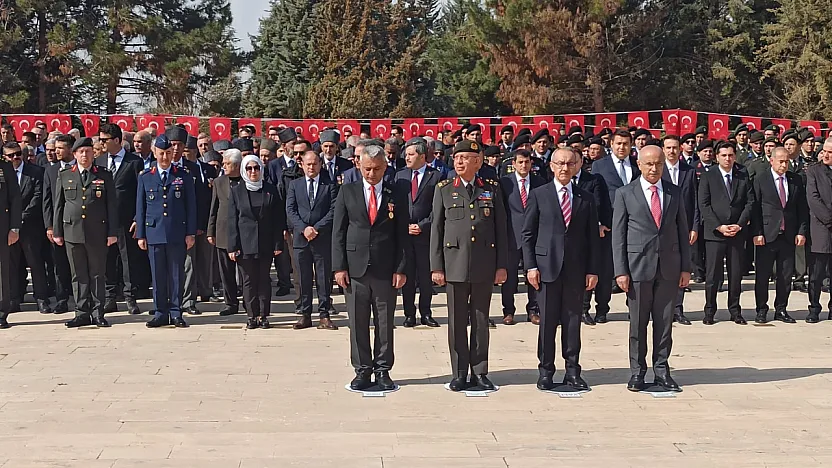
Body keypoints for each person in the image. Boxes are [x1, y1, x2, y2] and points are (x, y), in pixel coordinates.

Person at [430, 140, 508, 392]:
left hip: (485, 263)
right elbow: (437, 230)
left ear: (479, 160)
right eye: (457, 157)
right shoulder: (444, 189)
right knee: (457, 320)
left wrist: (502, 265)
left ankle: (480, 370)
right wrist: (437, 266)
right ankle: (460, 371)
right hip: (454, 264)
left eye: (466, 157)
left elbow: (501, 230)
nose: (460, 162)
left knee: (481, 318)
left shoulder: (492, 188)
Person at [612, 145, 691, 393]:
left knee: (664, 322)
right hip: (637, 269)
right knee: (638, 323)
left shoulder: (674, 193)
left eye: (658, 164)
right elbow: (619, 235)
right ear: (639, 164)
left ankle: (662, 370)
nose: (654, 168)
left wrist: (685, 267)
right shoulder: (626, 193)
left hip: (668, 267)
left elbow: (682, 230)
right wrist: (620, 270)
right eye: (648, 164)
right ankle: (637, 371)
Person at [522, 148, 599, 390]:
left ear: (577, 166)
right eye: (560, 164)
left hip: (576, 270)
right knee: (547, 322)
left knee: (573, 321)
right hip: (546, 269)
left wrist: (593, 269)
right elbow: (527, 234)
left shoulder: (585, 197)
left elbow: (593, 239)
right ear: (552, 166)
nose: (565, 168)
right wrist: (531, 266)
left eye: (569, 163)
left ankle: (573, 370)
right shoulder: (539, 195)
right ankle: (545, 371)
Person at [333, 145, 408, 390]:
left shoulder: (396, 192)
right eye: (367, 169)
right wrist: (339, 267)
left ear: (385, 167)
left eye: (376, 169)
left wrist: (401, 268)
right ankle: (362, 370)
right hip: (355, 268)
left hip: (385, 268)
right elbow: (339, 232)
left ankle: (383, 370)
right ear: (359, 166)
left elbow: (401, 234)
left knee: (385, 322)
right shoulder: (348, 191)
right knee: (357, 322)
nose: (371, 174)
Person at [53, 137, 118, 328]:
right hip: (72, 231)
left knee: (97, 273)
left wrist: (112, 231)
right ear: (74, 154)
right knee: (78, 273)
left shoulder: (104, 175)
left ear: (93, 153)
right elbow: (58, 205)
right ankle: (81, 312)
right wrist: (57, 231)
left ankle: (98, 312)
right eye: (80, 152)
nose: (84, 155)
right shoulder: (65, 175)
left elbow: (111, 205)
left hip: (97, 231)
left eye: (88, 151)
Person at [135, 135, 197, 328]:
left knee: (176, 274)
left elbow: (191, 206)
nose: (164, 157)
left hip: (177, 231)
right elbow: (141, 207)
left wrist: (190, 232)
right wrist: (141, 235)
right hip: (154, 232)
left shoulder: (182, 175)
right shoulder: (146, 176)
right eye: (161, 153)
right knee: (158, 275)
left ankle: (176, 312)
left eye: (168, 153)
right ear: (154, 153)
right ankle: (160, 312)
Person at [698, 142, 755, 325]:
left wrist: (739, 225)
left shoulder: (743, 175)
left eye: (731, 155)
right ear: (717, 157)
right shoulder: (708, 176)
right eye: (724, 155)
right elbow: (704, 205)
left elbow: (750, 202)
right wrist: (719, 226)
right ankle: (709, 310)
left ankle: (735, 310)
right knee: (713, 275)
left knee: (735, 274)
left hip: (737, 232)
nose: (728, 159)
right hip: (715, 233)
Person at [228, 155, 285, 329]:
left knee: (264, 280)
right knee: (248, 281)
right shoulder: (237, 191)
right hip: (245, 245)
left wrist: (278, 244)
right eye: (249, 168)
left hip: (266, 243)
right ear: (244, 171)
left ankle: (264, 315)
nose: (253, 172)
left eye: (256, 168)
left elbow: (278, 220)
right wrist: (233, 246)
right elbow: (232, 220)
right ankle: (251, 315)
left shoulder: (270, 189)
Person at [751, 147, 808, 324]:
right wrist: (757, 233)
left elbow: (802, 208)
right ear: (772, 160)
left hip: (788, 235)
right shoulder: (761, 179)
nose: (784, 165)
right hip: (767, 235)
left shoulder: (795, 180)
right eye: (781, 161)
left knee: (785, 276)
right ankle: (761, 309)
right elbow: (755, 208)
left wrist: (801, 231)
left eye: (787, 161)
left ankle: (781, 309)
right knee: (762, 275)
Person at [590, 129, 641, 320]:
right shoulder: (599, 166)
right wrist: (598, 221)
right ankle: (602, 308)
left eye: (626, 144)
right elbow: (596, 196)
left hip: (634, 224)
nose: (622, 147)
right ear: (611, 144)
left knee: (633, 266)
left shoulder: (637, 166)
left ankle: (634, 307)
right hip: (609, 224)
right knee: (606, 268)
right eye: (618, 143)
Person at [285, 150, 339, 330]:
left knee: (323, 278)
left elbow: (333, 210)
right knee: (303, 278)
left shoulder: (329, 185)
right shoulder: (295, 185)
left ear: (320, 164)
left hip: (321, 238)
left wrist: (316, 228)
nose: (311, 167)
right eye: (308, 164)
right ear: (302, 165)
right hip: (301, 239)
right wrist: (303, 228)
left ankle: (324, 315)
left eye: (315, 163)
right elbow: (290, 210)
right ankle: (305, 314)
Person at [95, 123, 144, 315]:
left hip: (126, 220)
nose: (102, 143)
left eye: (105, 140)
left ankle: (130, 297)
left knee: (128, 260)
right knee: (107, 260)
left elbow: (139, 192)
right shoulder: (99, 162)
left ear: (117, 140)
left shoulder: (134, 162)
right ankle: (109, 297)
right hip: (104, 221)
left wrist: (137, 217)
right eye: (100, 140)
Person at [394, 137, 441, 327]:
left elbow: (437, 208)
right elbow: (396, 205)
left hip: (425, 234)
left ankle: (426, 312)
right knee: (408, 275)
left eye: (411, 154)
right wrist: (404, 225)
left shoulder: (436, 176)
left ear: (422, 156)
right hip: (405, 234)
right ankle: (409, 314)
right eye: (406, 155)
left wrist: (423, 225)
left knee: (424, 276)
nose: (407, 158)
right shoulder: (400, 176)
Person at [3, 142, 50, 314]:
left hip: (30, 227)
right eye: (10, 155)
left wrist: (20, 219)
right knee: (12, 265)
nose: (15, 158)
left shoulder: (36, 171)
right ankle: (14, 299)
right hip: (9, 229)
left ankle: (41, 299)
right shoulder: (3, 174)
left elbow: (38, 197)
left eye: (17, 154)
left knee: (35, 263)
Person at [499, 150, 545, 325]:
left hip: (534, 236)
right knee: (509, 277)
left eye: (527, 162)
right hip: (512, 236)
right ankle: (508, 311)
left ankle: (533, 310)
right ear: (514, 164)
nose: (524, 165)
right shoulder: (505, 183)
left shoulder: (540, 182)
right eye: (520, 162)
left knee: (533, 275)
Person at [661, 135, 700, 325]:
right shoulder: (657, 171)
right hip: (663, 227)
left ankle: (678, 308)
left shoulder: (689, 171)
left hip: (684, 227)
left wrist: (694, 226)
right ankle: (661, 308)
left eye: (675, 147)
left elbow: (695, 201)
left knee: (681, 267)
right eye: (668, 147)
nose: (671, 151)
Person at [208, 150, 245, 316]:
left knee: (245, 271)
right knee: (226, 271)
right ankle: (230, 303)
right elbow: (213, 208)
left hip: (244, 233)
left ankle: (248, 301)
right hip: (223, 231)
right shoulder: (219, 182)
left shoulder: (247, 179)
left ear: (236, 165)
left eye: (226, 163)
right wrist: (211, 231)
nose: (223, 166)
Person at [806, 138, 832, 323]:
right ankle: (814, 308)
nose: (826, 155)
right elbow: (813, 199)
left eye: (830, 152)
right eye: (824, 151)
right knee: (816, 274)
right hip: (820, 229)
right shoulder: (814, 171)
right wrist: (830, 220)